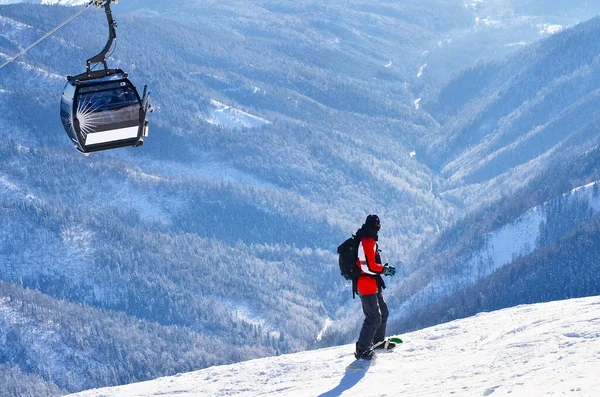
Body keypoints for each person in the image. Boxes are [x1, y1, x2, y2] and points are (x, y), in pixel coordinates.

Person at [354, 214, 396, 360]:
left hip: (373, 283)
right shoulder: (367, 241)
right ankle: (362, 351)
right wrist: (384, 269)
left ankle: (377, 343)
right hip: (366, 285)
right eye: (378, 227)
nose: (378, 229)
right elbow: (368, 267)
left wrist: (382, 270)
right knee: (373, 318)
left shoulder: (368, 239)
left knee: (383, 313)